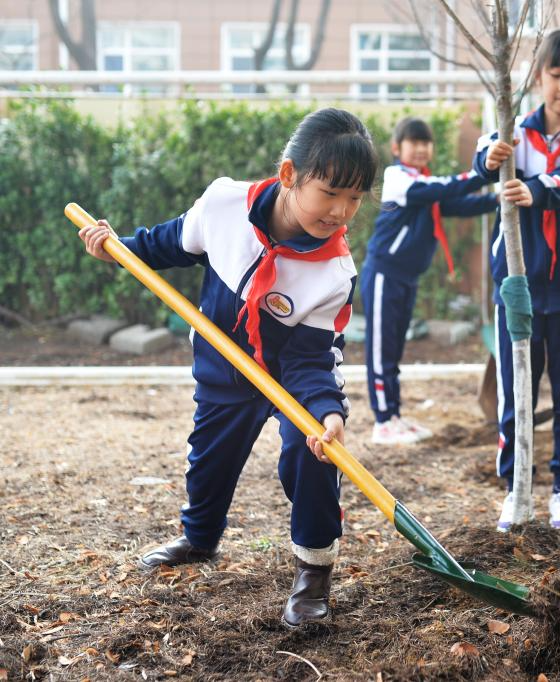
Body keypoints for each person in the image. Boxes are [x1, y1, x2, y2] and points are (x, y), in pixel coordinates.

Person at [77, 108, 377, 626]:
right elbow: (168, 242)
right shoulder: (223, 206)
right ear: (289, 175)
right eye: (330, 193)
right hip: (223, 368)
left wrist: (327, 413)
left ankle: (313, 569)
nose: (341, 211)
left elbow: (311, 359)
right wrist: (119, 248)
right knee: (209, 460)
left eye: (354, 198)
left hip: (293, 381)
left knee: (311, 451)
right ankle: (199, 538)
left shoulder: (333, 271)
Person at [474, 28, 560, 531]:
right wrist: (489, 159)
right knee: (516, 393)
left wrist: (536, 189)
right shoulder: (512, 131)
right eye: (556, 75)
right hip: (517, 285)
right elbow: (484, 156)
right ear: (538, 79)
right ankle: (517, 486)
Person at [362, 117, 497, 445]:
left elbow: (457, 203)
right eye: (414, 142)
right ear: (397, 148)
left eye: (426, 143)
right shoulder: (399, 178)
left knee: (394, 349)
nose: (421, 148)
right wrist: (482, 173)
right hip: (384, 273)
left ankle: (394, 416)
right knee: (381, 350)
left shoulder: (422, 183)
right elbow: (444, 189)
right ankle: (383, 421)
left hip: (406, 277)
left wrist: (499, 199)